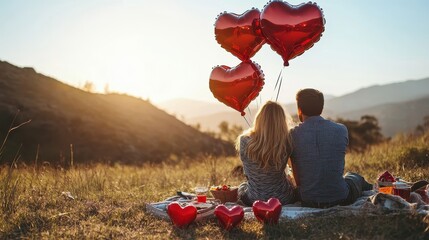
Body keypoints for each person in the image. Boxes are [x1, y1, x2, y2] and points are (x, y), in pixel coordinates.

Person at [289, 88, 372, 208]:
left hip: (308, 200)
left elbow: (298, 181)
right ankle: (377, 187)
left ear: (299, 110)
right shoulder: (341, 130)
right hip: (340, 197)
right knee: (354, 177)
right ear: (321, 109)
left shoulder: (292, 135)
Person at [237, 101, 296, 206]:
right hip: (282, 198)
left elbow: (248, 173)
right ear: (282, 121)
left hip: (253, 199)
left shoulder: (244, 140)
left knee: (242, 186)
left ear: (259, 118)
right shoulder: (287, 141)